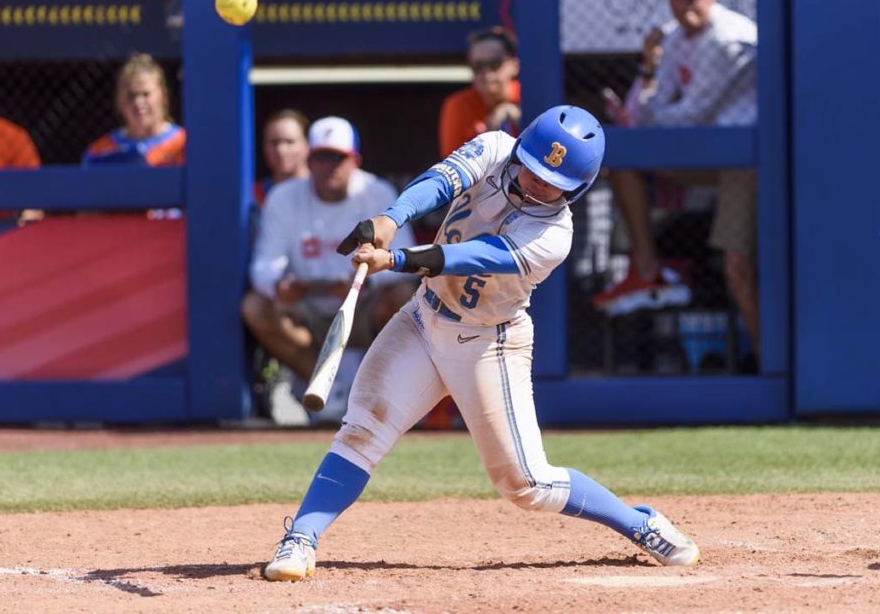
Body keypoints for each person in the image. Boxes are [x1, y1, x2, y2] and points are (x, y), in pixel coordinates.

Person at [262, 105, 699, 582]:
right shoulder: (495, 148)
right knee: (362, 431)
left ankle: (638, 523)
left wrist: (401, 257)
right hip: (423, 319)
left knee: (525, 484)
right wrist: (391, 217)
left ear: (577, 187)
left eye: (551, 180)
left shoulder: (554, 234)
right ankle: (300, 539)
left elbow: (474, 256)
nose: (535, 182)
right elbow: (442, 181)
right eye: (531, 167)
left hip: (488, 343)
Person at [598, 0, 759, 362]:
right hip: (700, 155)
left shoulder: (730, 37)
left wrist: (653, 116)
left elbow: (689, 115)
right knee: (622, 156)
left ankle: (767, 363)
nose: (687, 5)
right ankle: (647, 271)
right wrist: (648, 70)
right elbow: (637, 115)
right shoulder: (669, 37)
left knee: (739, 269)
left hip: (747, 160)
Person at [242, 115, 416, 388]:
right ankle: (325, 386)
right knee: (255, 307)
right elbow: (263, 265)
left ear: (354, 161)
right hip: (308, 311)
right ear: (308, 161)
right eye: (321, 157)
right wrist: (279, 285)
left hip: (363, 307)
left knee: (405, 297)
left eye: (338, 158)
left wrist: (364, 282)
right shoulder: (284, 197)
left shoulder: (376, 192)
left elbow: (404, 261)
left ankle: (381, 390)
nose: (329, 167)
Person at [83, 53, 185, 168]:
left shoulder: (184, 144)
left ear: (163, 96)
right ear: (119, 100)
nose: (138, 102)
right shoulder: (100, 152)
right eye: (131, 96)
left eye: (146, 94)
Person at [439, 26, 521, 159]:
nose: (486, 73)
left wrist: (517, 117)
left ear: (514, 66)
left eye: (495, 64)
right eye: (478, 66)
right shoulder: (458, 104)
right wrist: (488, 136)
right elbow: (452, 165)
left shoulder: (529, 96)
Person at [254, 109, 310, 205]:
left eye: (290, 142)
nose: (281, 150)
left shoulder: (323, 192)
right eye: (274, 142)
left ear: (307, 145)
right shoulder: (253, 195)